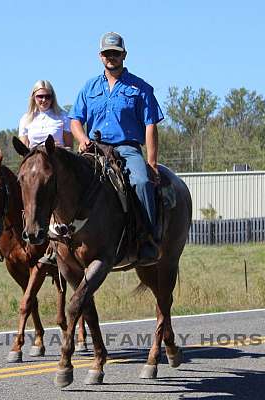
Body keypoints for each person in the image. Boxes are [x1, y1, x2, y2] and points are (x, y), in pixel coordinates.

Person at [69, 32, 164, 264]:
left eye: (116, 53)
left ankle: (147, 239)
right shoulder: (88, 87)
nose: (111, 57)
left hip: (127, 148)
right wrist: (82, 139)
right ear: (100, 56)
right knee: (64, 179)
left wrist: (151, 163)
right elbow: (75, 120)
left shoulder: (141, 88)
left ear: (124, 55)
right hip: (94, 149)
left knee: (141, 182)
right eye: (107, 53)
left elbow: (150, 126)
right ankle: (60, 241)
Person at [19, 80, 73, 149]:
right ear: (33, 97)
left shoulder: (64, 116)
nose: (44, 100)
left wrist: (61, 148)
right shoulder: (26, 119)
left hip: (56, 157)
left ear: (52, 98)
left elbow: (69, 147)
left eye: (48, 96)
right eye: (40, 96)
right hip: (35, 157)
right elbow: (24, 151)